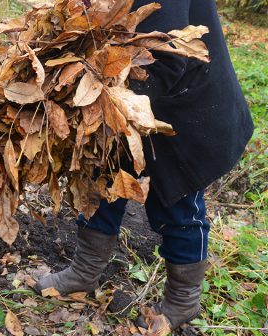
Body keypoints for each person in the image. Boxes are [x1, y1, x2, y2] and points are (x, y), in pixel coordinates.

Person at [34, 0, 255, 331]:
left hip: (185, 109)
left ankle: (183, 301)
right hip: (130, 99)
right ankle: (85, 270)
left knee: (178, 204)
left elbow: (167, 55)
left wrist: (100, 96)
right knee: (105, 178)